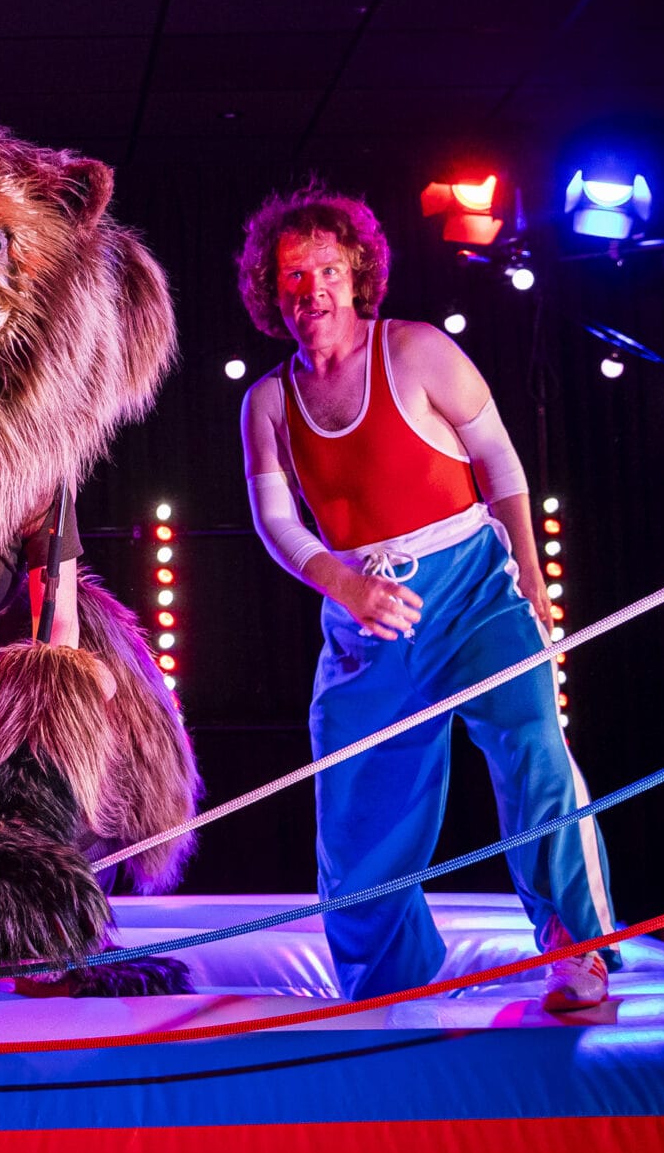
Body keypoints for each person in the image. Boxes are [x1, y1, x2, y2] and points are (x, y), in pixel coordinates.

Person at [236, 185, 617, 1010]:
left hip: (472, 589)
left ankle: (578, 950)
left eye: (328, 270)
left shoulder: (418, 352)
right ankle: (387, 984)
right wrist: (344, 584)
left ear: (359, 272)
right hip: (360, 613)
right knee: (358, 806)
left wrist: (532, 576)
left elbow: (502, 469)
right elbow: (275, 521)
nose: (313, 290)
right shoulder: (267, 401)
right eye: (293, 276)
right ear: (273, 292)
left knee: (533, 751)